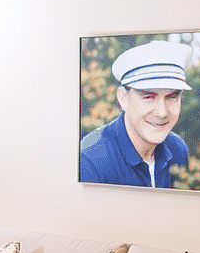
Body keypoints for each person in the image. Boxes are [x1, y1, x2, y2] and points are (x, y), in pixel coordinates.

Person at [79, 40, 192, 188]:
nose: (162, 112)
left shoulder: (177, 149)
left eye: (172, 97)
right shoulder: (90, 158)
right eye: (149, 97)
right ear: (123, 98)